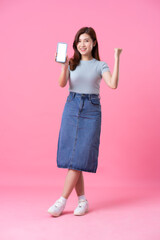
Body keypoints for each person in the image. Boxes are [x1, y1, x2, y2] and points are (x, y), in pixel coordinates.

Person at [48, 27, 122, 217]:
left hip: (91, 109)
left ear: (94, 43)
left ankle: (61, 201)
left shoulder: (100, 65)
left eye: (87, 40)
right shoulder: (72, 62)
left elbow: (112, 84)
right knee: (74, 157)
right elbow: (61, 84)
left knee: (78, 156)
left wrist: (117, 58)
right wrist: (64, 66)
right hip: (72, 107)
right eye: (79, 40)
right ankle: (82, 200)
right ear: (75, 44)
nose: (82, 44)